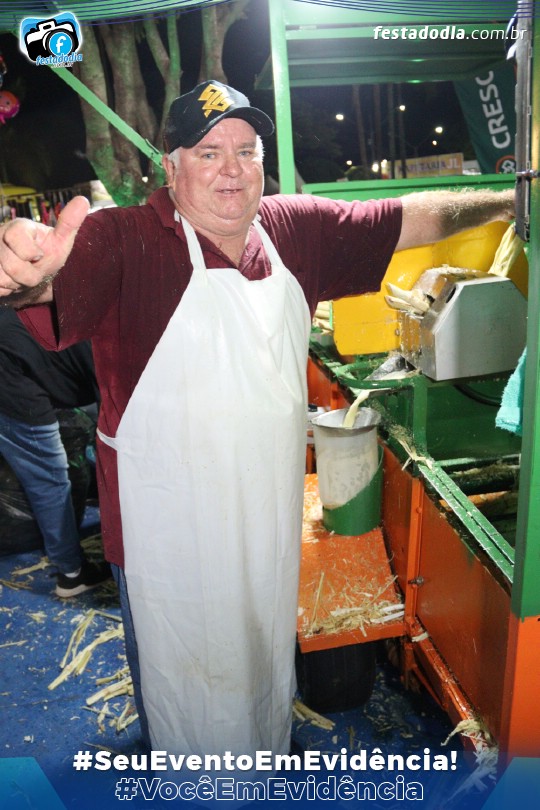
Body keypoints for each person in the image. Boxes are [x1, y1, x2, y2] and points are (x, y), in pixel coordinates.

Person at [0, 80, 515, 765]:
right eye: (208, 152)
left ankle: (261, 765)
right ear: (170, 166)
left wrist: (509, 199)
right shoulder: (123, 238)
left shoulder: (293, 229)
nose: (233, 169)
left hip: (265, 516)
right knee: (182, 682)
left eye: (247, 151)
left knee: (262, 656)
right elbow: (51, 281)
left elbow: (406, 219)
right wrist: (28, 279)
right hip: (166, 532)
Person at [0, 308, 110, 597]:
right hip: (8, 374)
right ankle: (72, 574)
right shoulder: (117, 354)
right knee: (48, 478)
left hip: (25, 349)